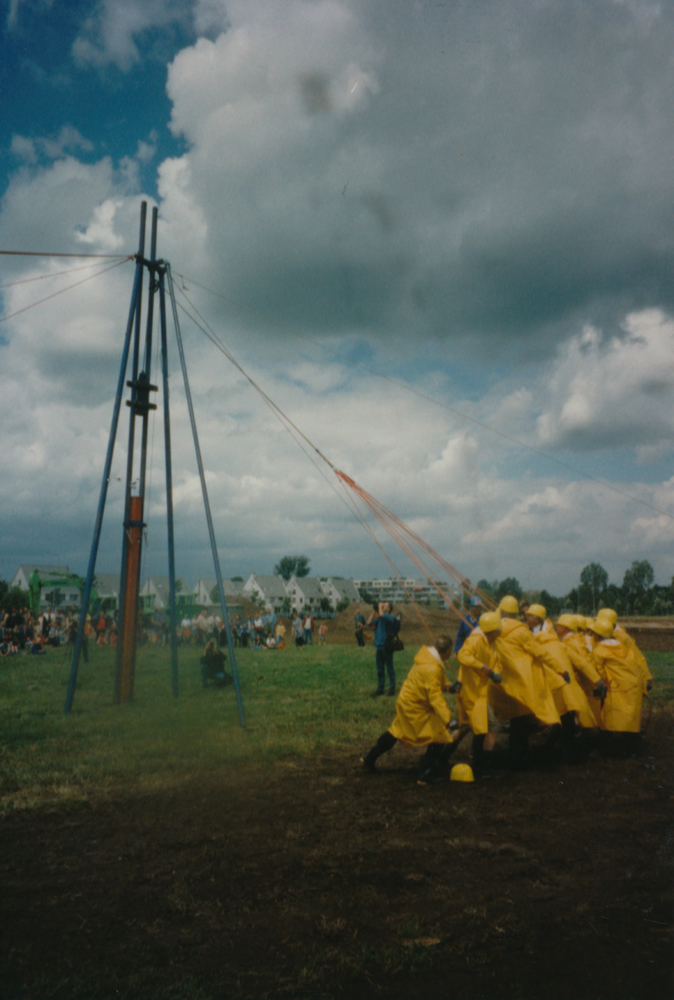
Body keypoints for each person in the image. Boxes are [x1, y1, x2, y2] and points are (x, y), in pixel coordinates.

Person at [361, 634, 461, 785]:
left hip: (406, 702)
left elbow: (434, 682)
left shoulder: (428, 658)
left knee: (396, 732)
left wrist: (450, 687)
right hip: (415, 708)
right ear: (447, 651)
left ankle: (369, 758)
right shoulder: (432, 667)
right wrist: (449, 720)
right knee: (440, 736)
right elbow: (435, 698)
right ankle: (424, 774)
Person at [489, 595, 561, 769]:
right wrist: (560, 669)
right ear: (517, 613)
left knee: (516, 721)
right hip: (523, 681)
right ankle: (518, 757)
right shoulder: (522, 631)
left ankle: (514, 754)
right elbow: (539, 653)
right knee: (521, 721)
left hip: (504, 681)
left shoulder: (494, 630)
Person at [456, 611, 503, 776]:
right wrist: (483, 667)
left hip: (480, 693)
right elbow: (462, 655)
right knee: (487, 726)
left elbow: (495, 662)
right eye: (498, 629)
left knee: (479, 727)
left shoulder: (492, 643)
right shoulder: (475, 641)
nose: (501, 631)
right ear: (492, 630)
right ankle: (482, 765)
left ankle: (477, 762)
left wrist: (496, 673)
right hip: (471, 692)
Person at [590, 617, 643, 755]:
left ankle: (605, 748)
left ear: (598, 634)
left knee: (609, 713)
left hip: (616, 686)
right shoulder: (624, 647)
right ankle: (632, 747)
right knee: (628, 714)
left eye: (594, 632)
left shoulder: (599, 650)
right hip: (632, 684)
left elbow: (600, 672)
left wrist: (603, 685)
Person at [367, 601, 400, 697]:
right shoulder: (379, 618)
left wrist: (379, 606)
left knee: (390, 668)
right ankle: (380, 688)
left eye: (385, 605)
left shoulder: (390, 617)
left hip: (386, 646)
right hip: (379, 646)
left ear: (388, 609)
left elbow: (381, 614)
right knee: (380, 669)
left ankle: (391, 689)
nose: (382, 605)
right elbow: (369, 623)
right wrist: (374, 611)